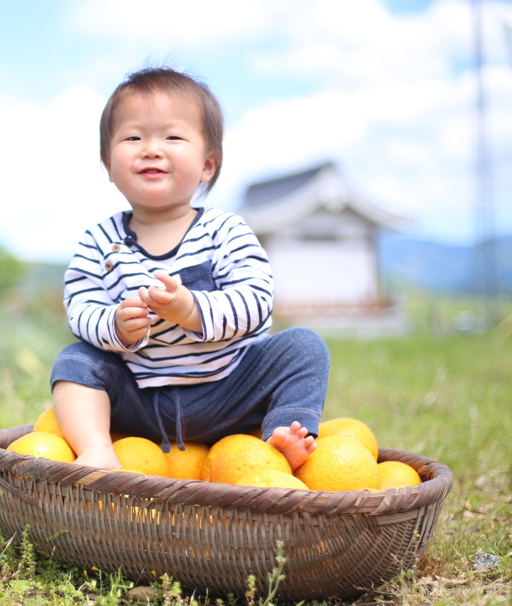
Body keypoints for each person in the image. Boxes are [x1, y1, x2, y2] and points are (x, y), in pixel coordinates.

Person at [49, 66, 330, 472]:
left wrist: (191, 310)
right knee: (74, 361)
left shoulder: (224, 230)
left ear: (208, 165)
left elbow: (257, 302)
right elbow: (80, 305)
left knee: (303, 346)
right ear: (108, 163)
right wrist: (114, 323)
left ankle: (280, 436)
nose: (151, 148)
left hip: (230, 390)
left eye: (172, 137)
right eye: (133, 137)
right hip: (140, 399)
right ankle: (96, 448)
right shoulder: (99, 241)